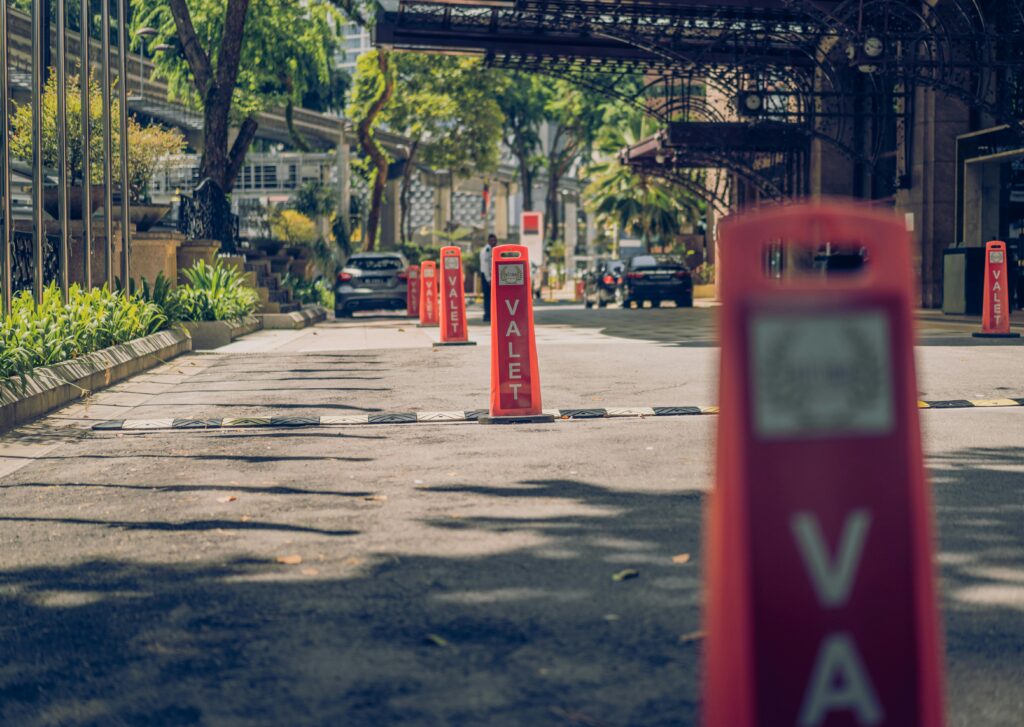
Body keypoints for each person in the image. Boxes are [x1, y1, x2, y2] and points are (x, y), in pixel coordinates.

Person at [480, 234, 496, 322]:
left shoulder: (491, 249)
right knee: (488, 297)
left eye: (495, 240)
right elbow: (486, 266)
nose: (494, 242)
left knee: (491, 297)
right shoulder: (487, 250)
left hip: (489, 275)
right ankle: (487, 315)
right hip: (487, 276)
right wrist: (489, 279)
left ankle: (490, 314)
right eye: (492, 240)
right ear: (488, 241)